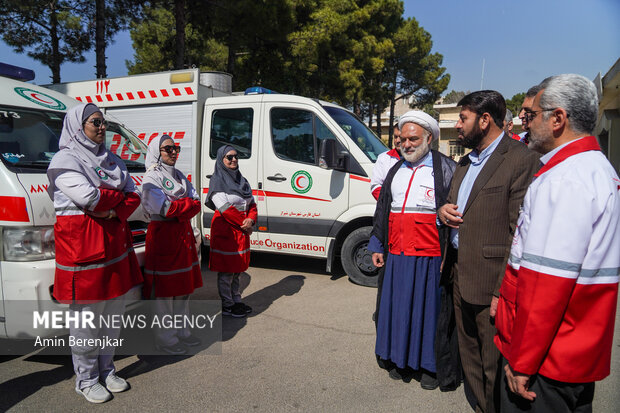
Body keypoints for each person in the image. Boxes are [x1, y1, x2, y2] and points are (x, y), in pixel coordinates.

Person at [495, 74, 620, 412]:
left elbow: (546, 283)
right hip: (573, 351)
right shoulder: (596, 168)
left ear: (558, 119)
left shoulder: (565, 179)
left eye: (531, 115)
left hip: (546, 360)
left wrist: (522, 361)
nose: (525, 123)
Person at [437, 91, 540, 413]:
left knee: (493, 365)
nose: (457, 125)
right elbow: (456, 209)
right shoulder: (465, 162)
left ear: (485, 120)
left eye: (463, 118)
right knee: (469, 360)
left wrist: (502, 291)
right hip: (458, 275)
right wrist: (442, 212)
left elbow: (519, 232)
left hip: (491, 284)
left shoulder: (520, 159)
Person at [47, 103, 143, 403]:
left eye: (103, 122)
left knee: (112, 318)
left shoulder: (110, 159)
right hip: (83, 252)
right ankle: (86, 380)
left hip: (113, 246)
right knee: (87, 323)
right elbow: (87, 197)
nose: (102, 128)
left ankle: (107, 369)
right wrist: (117, 201)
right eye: (95, 122)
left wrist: (111, 209)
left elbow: (135, 194)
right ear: (78, 127)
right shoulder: (65, 160)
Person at [370, 110, 459, 390]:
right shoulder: (395, 170)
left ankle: (429, 368)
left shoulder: (446, 169)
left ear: (429, 138)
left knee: (428, 315)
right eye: (402, 140)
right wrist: (377, 244)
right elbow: (383, 210)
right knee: (397, 312)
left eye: (413, 139)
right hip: (397, 257)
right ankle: (399, 360)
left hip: (430, 259)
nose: (406, 145)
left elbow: (457, 212)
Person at [142, 135, 203, 355]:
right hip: (163, 238)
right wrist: (184, 206)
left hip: (182, 236)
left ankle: (183, 332)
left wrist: (180, 205)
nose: (174, 152)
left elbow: (197, 203)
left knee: (182, 290)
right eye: (168, 148)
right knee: (164, 294)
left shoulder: (179, 176)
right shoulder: (152, 177)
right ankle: (166, 339)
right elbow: (164, 208)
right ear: (157, 152)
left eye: (175, 148)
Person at [206, 145, 257, 318]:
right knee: (227, 271)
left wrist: (251, 219)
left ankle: (237, 300)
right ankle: (228, 305)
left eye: (236, 156)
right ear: (221, 159)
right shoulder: (217, 180)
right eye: (229, 157)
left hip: (241, 230)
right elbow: (225, 208)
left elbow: (252, 204)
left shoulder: (242, 180)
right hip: (227, 230)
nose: (234, 159)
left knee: (238, 269)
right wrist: (245, 223)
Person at [370, 125, 402, 200]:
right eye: (395, 137)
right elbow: (375, 185)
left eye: (400, 137)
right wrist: (388, 203)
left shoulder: (417, 159)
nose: (397, 141)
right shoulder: (384, 158)